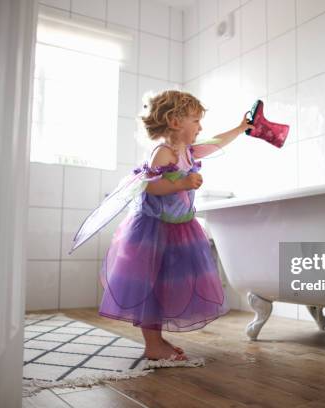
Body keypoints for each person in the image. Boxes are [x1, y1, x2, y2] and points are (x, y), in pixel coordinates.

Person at [98, 90, 254, 361]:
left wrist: (241, 128)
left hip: (179, 229)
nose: (200, 127)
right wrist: (180, 183)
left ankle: (156, 340)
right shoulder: (163, 152)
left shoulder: (188, 151)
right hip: (154, 231)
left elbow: (217, 142)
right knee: (152, 287)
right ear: (174, 121)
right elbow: (150, 186)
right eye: (195, 120)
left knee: (166, 286)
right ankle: (153, 344)